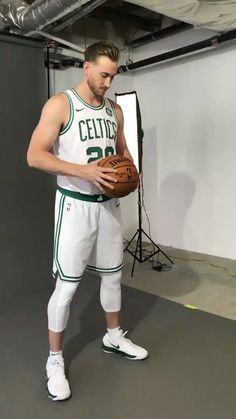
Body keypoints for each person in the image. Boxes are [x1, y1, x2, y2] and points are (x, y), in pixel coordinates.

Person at [27, 40, 148, 402]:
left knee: (113, 275)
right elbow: (34, 155)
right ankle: (54, 360)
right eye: (104, 74)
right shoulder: (61, 105)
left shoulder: (114, 110)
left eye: (113, 75)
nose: (109, 82)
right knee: (66, 287)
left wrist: (130, 172)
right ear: (86, 67)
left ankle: (113, 336)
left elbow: (122, 150)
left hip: (108, 206)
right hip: (75, 207)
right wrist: (84, 171)